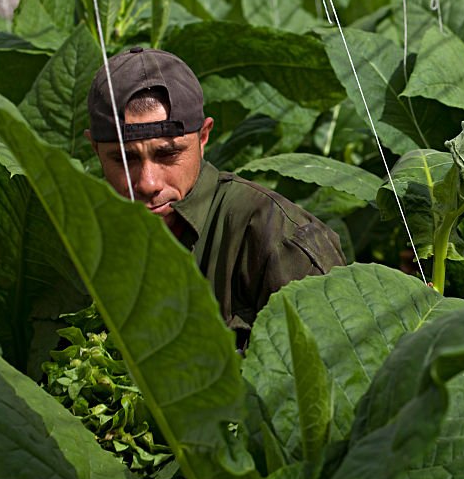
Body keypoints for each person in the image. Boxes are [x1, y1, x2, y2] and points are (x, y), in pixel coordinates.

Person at [86, 46, 345, 350]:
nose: (148, 183)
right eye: (123, 159)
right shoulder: (77, 238)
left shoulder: (276, 238)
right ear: (94, 150)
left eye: (167, 154)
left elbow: (332, 375)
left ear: (204, 136)